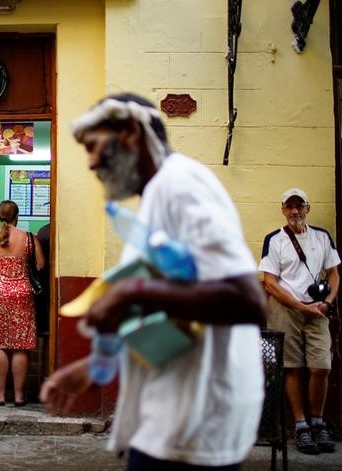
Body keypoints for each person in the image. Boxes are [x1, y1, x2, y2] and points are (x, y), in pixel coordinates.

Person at [40, 93, 267, 470]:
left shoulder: (180, 183)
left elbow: (248, 300)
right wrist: (92, 368)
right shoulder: (157, 197)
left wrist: (132, 291)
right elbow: (178, 303)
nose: (92, 162)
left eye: (94, 147)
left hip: (193, 427)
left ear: (130, 132)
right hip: (171, 421)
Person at [259, 187, 339, 454]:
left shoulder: (322, 237)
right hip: (286, 308)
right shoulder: (275, 240)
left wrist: (327, 303)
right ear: (283, 210)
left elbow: (335, 273)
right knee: (291, 367)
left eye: (299, 206)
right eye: (289, 207)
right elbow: (269, 283)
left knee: (320, 367)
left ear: (308, 208)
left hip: (317, 309)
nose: (294, 211)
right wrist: (298, 306)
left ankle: (319, 422)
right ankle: (302, 426)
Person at [0, 200, 45, 407]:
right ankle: (18, 395)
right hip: (21, 294)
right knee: (20, 346)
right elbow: (41, 265)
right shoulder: (29, 239)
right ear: (17, 216)